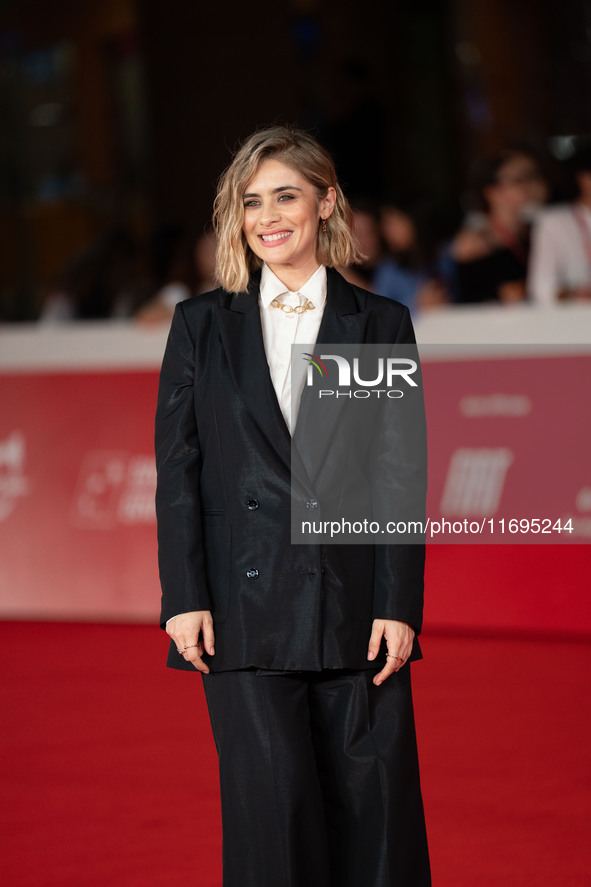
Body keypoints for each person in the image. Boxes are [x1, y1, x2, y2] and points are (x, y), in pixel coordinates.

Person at [155, 125, 431, 887]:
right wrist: (183, 599)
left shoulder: (375, 323)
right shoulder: (202, 325)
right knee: (270, 829)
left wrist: (397, 603)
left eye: (285, 195)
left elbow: (394, 476)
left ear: (325, 201)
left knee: (372, 825)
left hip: (353, 609)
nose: (268, 216)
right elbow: (178, 471)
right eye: (251, 201)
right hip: (242, 619)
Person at [450, 149, 546, 303]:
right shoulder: (472, 243)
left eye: (529, 178)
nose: (527, 186)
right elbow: (465, 299)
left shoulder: (534, 230)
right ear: (492, 192)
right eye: (517, 181)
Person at [528, 144, 591, 303]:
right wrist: (576, 294)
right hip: (574, 319)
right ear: (581, 177)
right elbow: (541, 288)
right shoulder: (554, 221)